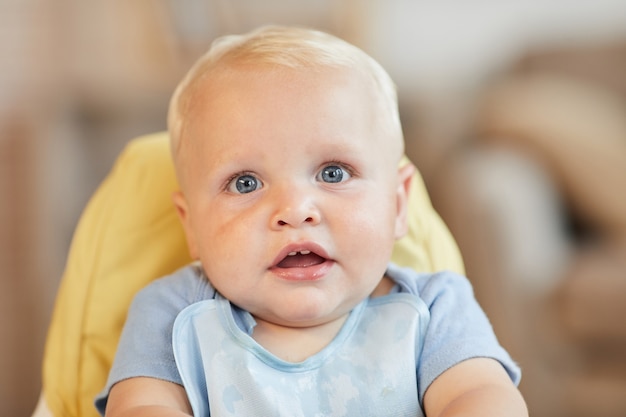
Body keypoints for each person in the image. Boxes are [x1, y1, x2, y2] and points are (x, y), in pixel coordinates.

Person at [95, 25, 527, 416]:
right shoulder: (173, 315)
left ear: (398, 206)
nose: (295, 210)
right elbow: (141, 406)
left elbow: (480, 396)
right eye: (245, 183)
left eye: (333, 173)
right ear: (191, 227)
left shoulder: (434, 309)